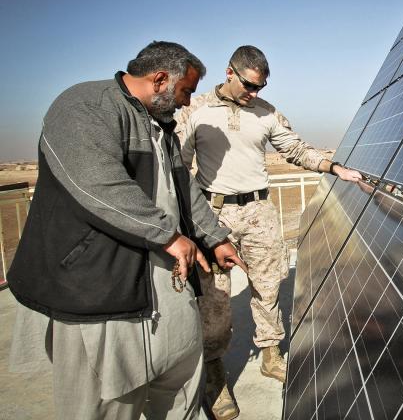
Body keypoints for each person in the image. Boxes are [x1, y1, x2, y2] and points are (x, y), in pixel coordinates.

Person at [6, 41, 246, 420]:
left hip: (161, 285)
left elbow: (181, 190)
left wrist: (214, 238)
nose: (186, 103)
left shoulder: (162, 126)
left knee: (181, 383)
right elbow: (98, 185)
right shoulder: (84, 106)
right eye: (186, 91)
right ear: (161, 79)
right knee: (105, 403)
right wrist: (168, 235)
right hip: (96, 293)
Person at [175, 45, 362, 419]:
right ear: (230, 73)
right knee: (214, 295)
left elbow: (293, 149)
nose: (254, 93)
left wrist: (333, 167)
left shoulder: (267, 113)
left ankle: (270, 353)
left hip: (259, 210)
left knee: (268, 285)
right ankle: (215, 377)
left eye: (260, 87)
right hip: (214, 214)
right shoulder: (195, 111)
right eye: (249, 85)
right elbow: (177, 165)